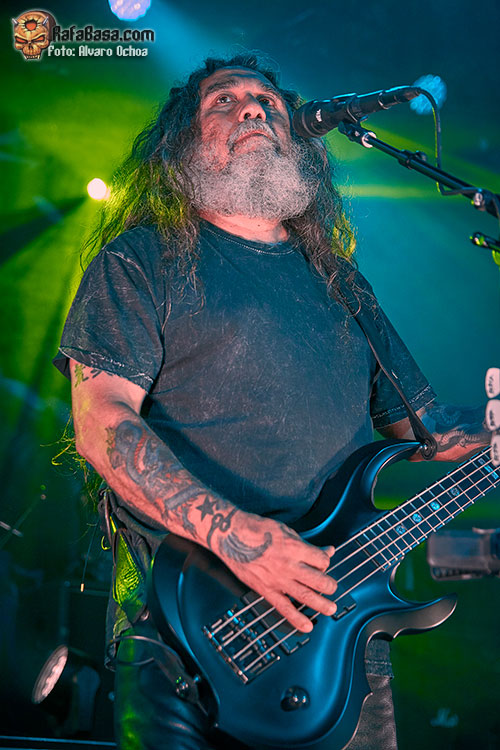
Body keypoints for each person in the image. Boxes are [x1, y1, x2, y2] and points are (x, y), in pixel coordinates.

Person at [53, 53, 490, 750]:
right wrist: (241, 539)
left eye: (268, 101)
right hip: (191, 629)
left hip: (338, 629)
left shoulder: (341, 282)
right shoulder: (142, 260)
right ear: (182, 145)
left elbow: (428, 431)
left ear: (298, 140)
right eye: (223, 102)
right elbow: (102, 422)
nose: (253, 108)